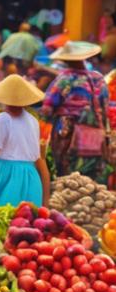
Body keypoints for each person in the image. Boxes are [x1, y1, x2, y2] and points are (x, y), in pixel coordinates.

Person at [40, 41, 112, 185]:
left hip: (68, 135)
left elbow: (47, 108)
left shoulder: (65, 79)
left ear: (65, 60)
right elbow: (105, 106)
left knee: (68, 178)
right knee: (92, 179)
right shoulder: (98, 78)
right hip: (95, 134)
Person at [0, 75, 51, 210]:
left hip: (6, 175)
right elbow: (38, 158)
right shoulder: (33, 121)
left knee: (0, 218)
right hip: (31, 176)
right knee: (26, 219)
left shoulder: (2, 119)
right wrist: (45, 199)